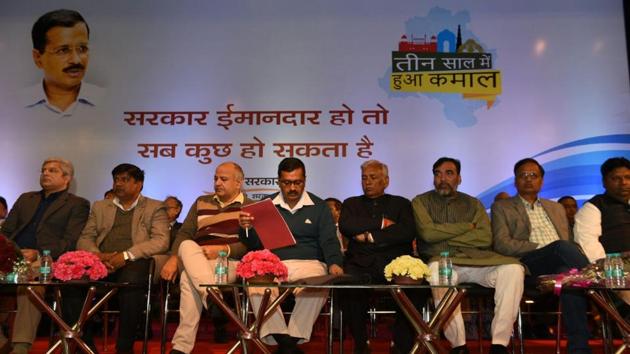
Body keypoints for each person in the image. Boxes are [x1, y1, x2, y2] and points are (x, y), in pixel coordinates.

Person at [412, 157, 524, 354]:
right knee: (438, 273)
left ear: (459, 178)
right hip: (443, 260)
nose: (442, 178)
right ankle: (459, 346)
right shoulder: (421, 202)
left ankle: (499, 344)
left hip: (478, 261)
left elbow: (484, 238)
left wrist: (444, 233)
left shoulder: (473, 203)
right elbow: (428, 235)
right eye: (437, 174)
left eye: (449, 173)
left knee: (514, 269)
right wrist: (468, 227)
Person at [238, 157, 344, 354]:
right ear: (278, 182)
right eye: (287, 183)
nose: (293, 187)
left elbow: (329, 240)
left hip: (309, 262)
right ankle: (283, 340)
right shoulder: (265, 206)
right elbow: (253, 245)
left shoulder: (319, 206)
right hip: (273, 263)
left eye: (298, 182)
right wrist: (247, 228)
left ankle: (291, 340)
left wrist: (334, 263)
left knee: (318, 284)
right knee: (256, 284)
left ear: (305, 180)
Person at [492, 158, 591, 354]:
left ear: (542, 181)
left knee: (571, 279)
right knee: (562, 248)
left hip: (559, 262)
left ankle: (579, 349)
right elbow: (502, 244)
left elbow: (570, 241)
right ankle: (597, 280)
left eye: (533, 176)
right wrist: (545, 247)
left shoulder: (556, 208)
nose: (528, 180)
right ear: (515, 181)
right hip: (529, 263)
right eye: (523, 176)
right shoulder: (502, 207)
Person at [76, 163, 169, 354]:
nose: (118, 184)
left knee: (131, 281)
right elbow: (85, 238)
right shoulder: (100, 206)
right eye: (116, 179)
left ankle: (124, 347)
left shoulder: (154, 207)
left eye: (124, 179)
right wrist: (98, 256)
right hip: (101, 262)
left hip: (134, 262)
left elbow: (161, 242)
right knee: (72, 281)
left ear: (139, 184)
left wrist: (126, 256)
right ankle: (85, 345)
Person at [0, 158, 90, 354]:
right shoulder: (26, 198)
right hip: (13, 255)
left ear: (67, 178)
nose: (45, 173)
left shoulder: (77, 204)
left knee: (29, 278)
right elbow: (6, 232)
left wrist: (38, 253)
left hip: (46, 259)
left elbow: (70, 241)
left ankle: (21, 345)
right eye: (43, 170)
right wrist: (12, 251)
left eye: (52, 170)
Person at [161, 162, 251, 354]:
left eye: (223, 179)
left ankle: (181, 347)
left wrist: (223, 249)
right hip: (197, 258)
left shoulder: (250, 206)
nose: (217, 183)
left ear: (238, 183)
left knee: (188, 279)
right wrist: (173, 259)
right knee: (186, 245)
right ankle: (213, 296)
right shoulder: (202, 201)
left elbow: (251, 244)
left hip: (229, 262)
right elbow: (184, 233)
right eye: (215, 178)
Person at [338, 160, 420, 354]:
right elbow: (347, 226)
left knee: (416, 289)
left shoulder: (401, 203)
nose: (367, 182)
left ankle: (400, 344)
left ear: (386, 181)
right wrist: (382, 222)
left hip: (395, 263)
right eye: (364, 178)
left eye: (373, 178)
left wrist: (369, 236)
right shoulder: (351, 203)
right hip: (360, 264)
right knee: (348, 287)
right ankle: (361, 343)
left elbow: (406, 232)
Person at [22, 9, 102, 116]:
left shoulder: (108, 100)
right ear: (38, 58)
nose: (76, 60)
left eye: (82, 48)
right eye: (63, 50)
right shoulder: (15, 104)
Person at [575, 157, 630, 304]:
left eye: (627, 177)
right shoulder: (593, 206)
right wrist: (608, 273)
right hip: (616, 268)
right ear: (604, 182)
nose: (623, 182)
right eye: (616, 178)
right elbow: (588, 244)